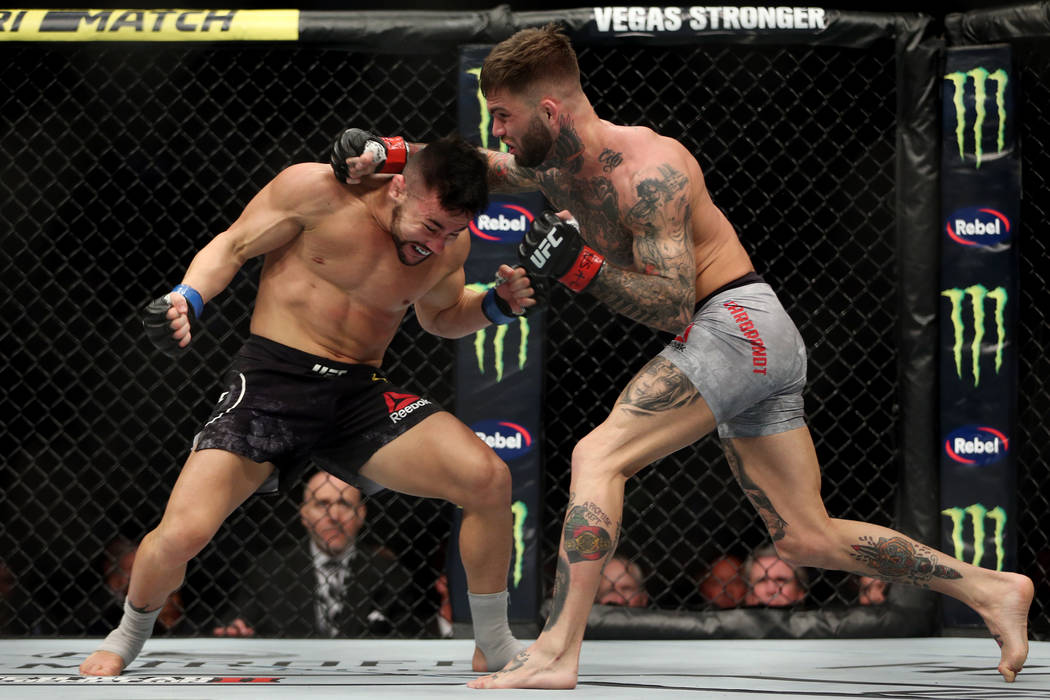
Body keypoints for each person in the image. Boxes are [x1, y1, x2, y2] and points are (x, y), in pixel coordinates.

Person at [330, 26, 1034, 688]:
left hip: (734, 323)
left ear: (549, 107)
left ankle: (556, 650)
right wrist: (388, 154)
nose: (501, 131)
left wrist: (581, 270)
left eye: (507, 116)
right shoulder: (552, 168)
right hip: (749, 337)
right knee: (804, 537)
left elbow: (672, 304)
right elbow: (479, 166)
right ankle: (992, 588)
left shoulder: (649, 170)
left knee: (598, 456)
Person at [79, 134, 533, 677]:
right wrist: (187, 297)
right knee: (183, 534)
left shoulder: (448, 246)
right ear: (398, 187)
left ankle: (494, 642)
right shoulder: (315, 191)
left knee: (487, 478)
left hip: (359, 392)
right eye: (432, 227)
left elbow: (440, 315)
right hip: (273, 382)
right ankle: (128, 634)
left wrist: (496, 307)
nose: (437, 245)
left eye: (452, 234)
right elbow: (233, 245)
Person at [213, 471, 413, 637]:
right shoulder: (268, 569)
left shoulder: (389, 573)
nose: (333, 516)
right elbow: (240, 618)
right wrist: (236, 629)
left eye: (344, 504)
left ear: (360, 514)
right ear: (305, 514)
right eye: (322, 504)